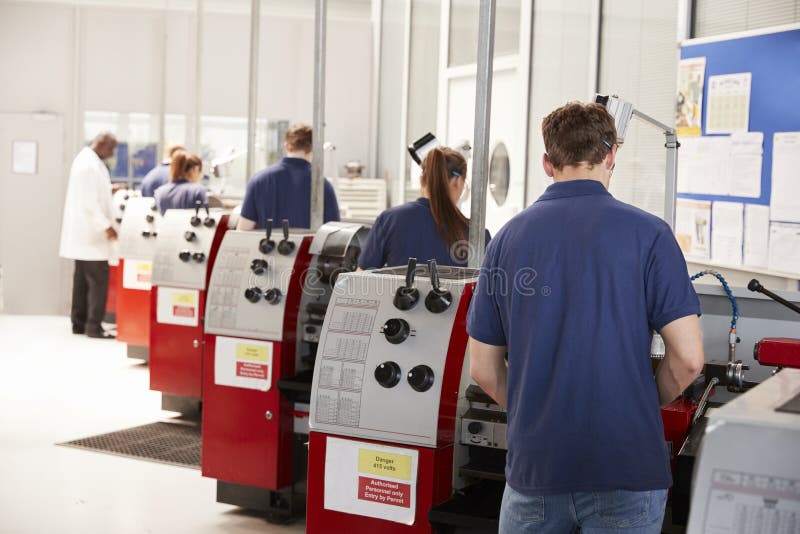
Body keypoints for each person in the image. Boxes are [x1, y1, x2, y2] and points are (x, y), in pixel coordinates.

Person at [467, 102, 705, 533]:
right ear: (611, 154)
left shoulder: (506, 240)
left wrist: (533, 412)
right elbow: (689, 359)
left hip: (537, 467)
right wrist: (642, 403)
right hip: (626, 466)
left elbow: (483, 369)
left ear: (547, 163)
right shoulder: (650, 235)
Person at [358, 147, 489, 269]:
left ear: (421, 180)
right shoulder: (477, 234)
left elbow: (361, 278)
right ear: (458, 182)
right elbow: (491, 282)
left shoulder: (389, 220)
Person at [59, 132, 120, 339]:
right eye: (111, 149)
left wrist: (110, 189)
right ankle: (94, 327)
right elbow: (90, 203)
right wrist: (107, 227)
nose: (112, 154)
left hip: (84, 237)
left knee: (81, 283)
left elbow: (92, 193)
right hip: (91, 236)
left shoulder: (87, 162)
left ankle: (79, 324)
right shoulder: (88, 166)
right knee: (97, 282)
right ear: (101, 144)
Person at [237, 123, 340, 230]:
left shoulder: (258, 181)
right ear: (312, 148)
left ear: (286, 146)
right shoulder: (323, 186)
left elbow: (243, 230)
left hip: (267, 241)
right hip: (310, 241)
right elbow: (334, 232)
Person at [153, 151, 207, 215]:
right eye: (200, 170)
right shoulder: (198, 190)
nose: (201, 175)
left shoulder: (160, 192)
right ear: (194, 169)